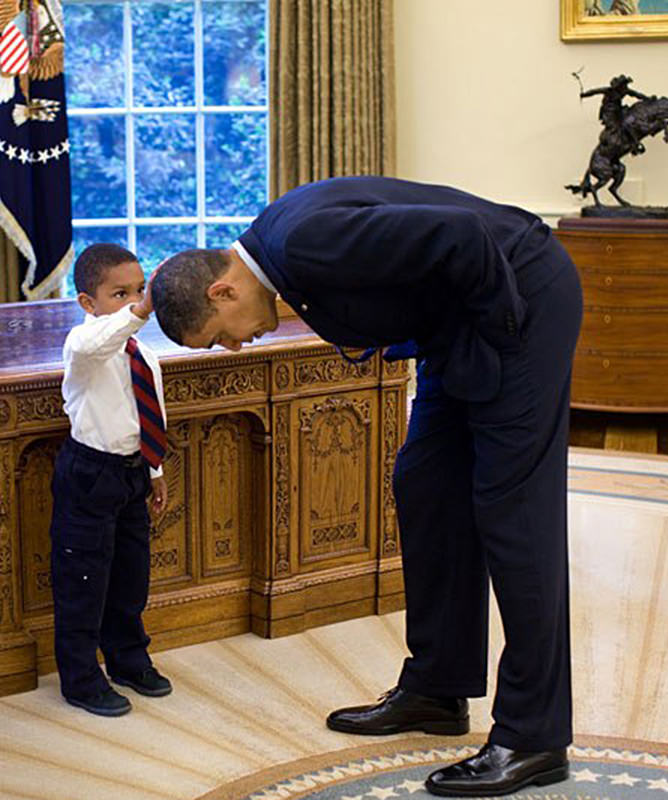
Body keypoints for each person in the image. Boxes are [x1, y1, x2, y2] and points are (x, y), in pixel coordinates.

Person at [150, 176, 582, 797]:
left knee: (515, 516)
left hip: (519, 301)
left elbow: (464, 235)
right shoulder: (281, 253)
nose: (233, 344)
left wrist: (502, 337)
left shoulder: (302, 242)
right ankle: (437, 689)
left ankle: (534, 737)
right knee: (426, 488)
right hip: (463, 324)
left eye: (219, 333)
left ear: (222, 289)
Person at [50, 243, 172, 717]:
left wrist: (155, 470)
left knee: (130, 575)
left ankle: (128, 658)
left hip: (132, 474)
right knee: (84, 579)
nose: (132, 301)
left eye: (139, 290)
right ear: (88, 303)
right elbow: (95, 342)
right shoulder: (83, 348)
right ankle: (80, 678)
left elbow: (150, 412)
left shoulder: (143, 353)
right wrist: (141, 310)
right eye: (119, 293)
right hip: (89, 474)